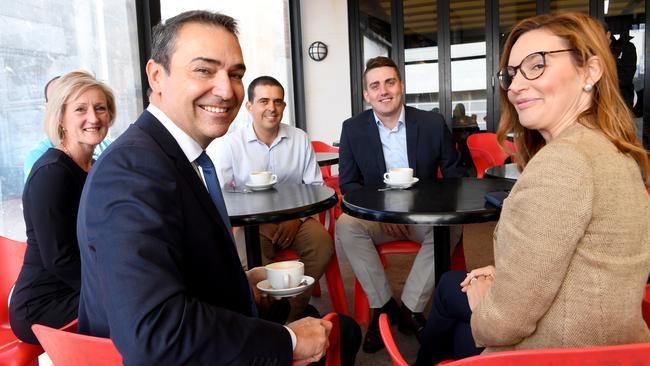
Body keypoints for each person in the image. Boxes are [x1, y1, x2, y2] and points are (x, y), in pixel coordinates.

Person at [76, 11, 333, 365]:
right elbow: (155, 332)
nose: (226, 90)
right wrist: (287, 341)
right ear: (156, 76)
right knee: (337, 334)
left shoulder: (177, 157)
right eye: (204, 70)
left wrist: (242, 284)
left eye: (236, 74)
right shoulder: (131, 170)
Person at [415, 12, 650, 365]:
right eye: (511, 74)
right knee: (454, 284)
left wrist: (485, 299)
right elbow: (586, 258)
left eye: (536, 65)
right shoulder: (613, 148)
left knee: (452, 291)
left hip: (555, 353)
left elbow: (502, 326)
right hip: (616, 347)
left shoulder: (562, 163)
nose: (514, 86)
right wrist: (503, 275)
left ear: (590, 71)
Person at [336, 56, 466, 353]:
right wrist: (384, 212)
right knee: (346, 226)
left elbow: (454, 175)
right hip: (379, 217)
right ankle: (383, 307)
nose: (384, 91)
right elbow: (349, 184)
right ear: (366, 95)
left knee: (450, 228)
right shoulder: (353, 128)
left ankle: (409, 307)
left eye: (390, 82)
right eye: (375, 85)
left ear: (401, 86)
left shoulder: (432, 123)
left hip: (423, 216)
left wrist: (430, 209)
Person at [211, 75, 334, 321]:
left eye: (278, 102)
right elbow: (219, 195)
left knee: (322, 246)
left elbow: (315, 186)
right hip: (252, 225)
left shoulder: (299, 139)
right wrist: (257, 223)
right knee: (251, 261)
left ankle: (291, 314)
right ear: (249, 106)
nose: (272, 108)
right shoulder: (230, 144)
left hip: (296, 219)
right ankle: (267, 317)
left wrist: (296, 221)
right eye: (264, 101)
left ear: (284, 107)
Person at [9, 70, 115, 344]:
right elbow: (59, 260)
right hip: (44, 302)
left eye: (100, 108)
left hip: (78, 287)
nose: (93, 117)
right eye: (81, 109)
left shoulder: (94, 165)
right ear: (62, 119)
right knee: (141, 311)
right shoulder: (51, 173)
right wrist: (113, 291)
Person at [23, 75, 112, 182]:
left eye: (100, 108)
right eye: (80, 109)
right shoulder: (50, 171)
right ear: (59, 118)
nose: (94, 119)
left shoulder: (105, 158)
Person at [604, 22, 637, 110]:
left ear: (608, 35)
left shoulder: (627, 47)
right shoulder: (594, 52)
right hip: (600, 102)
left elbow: (626, 77)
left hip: (621, 101)